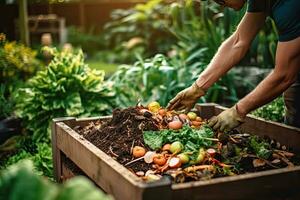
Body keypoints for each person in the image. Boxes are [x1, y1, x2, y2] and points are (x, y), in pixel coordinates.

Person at [167, 0, 300, 131]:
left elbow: (285, 75)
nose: (219, 4)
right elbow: (238, 42)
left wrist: (238, 111)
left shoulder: (291, 6)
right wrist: (198, 88)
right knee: (293, 99)